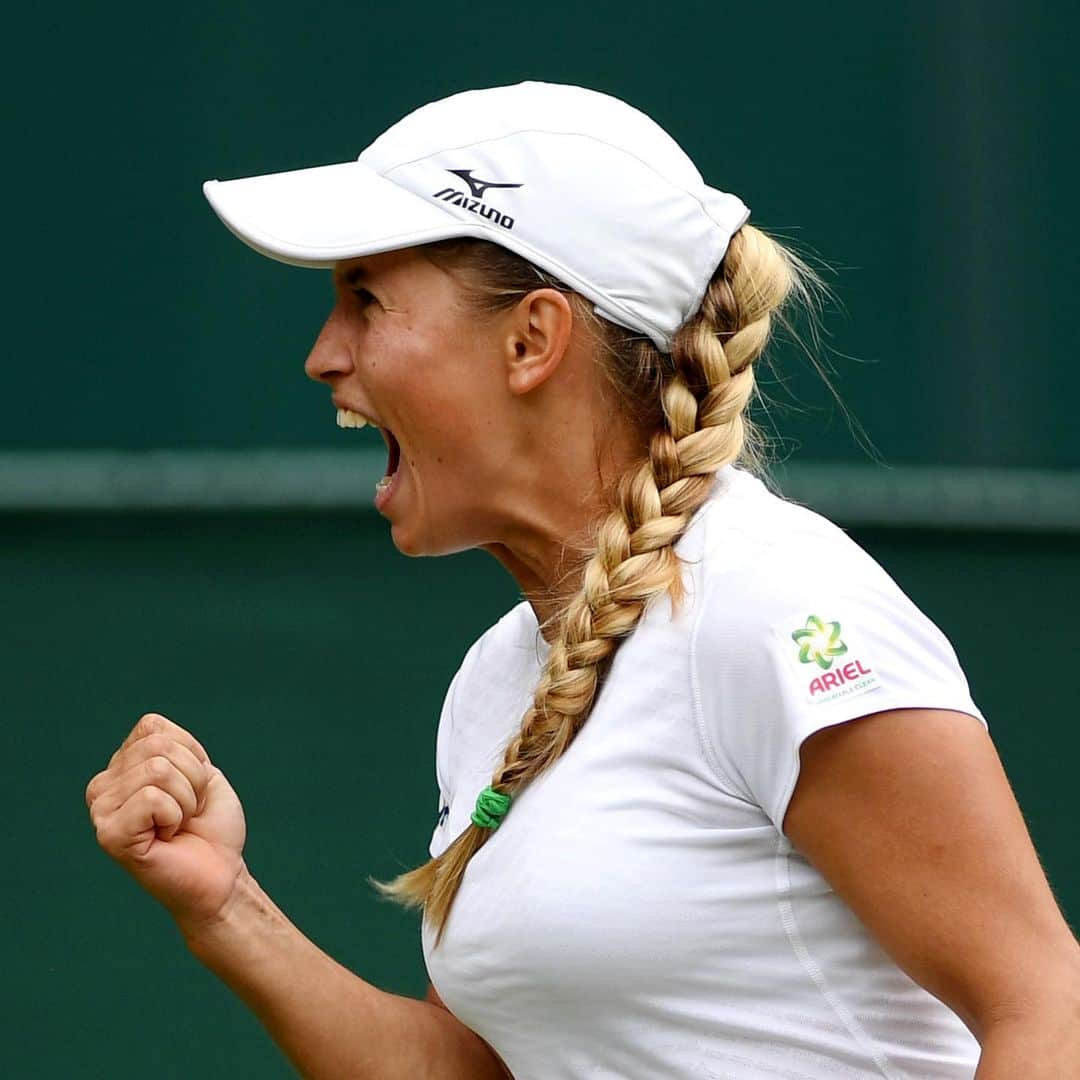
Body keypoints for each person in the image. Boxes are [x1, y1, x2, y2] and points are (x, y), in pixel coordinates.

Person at [85, 81, 1079, 1079]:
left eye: (366, 299)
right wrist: (222, 904)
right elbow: (477, 1071)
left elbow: (1049, 1009)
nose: (322, 356)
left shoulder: (780, 606)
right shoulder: (497, 681)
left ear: (531, 340)